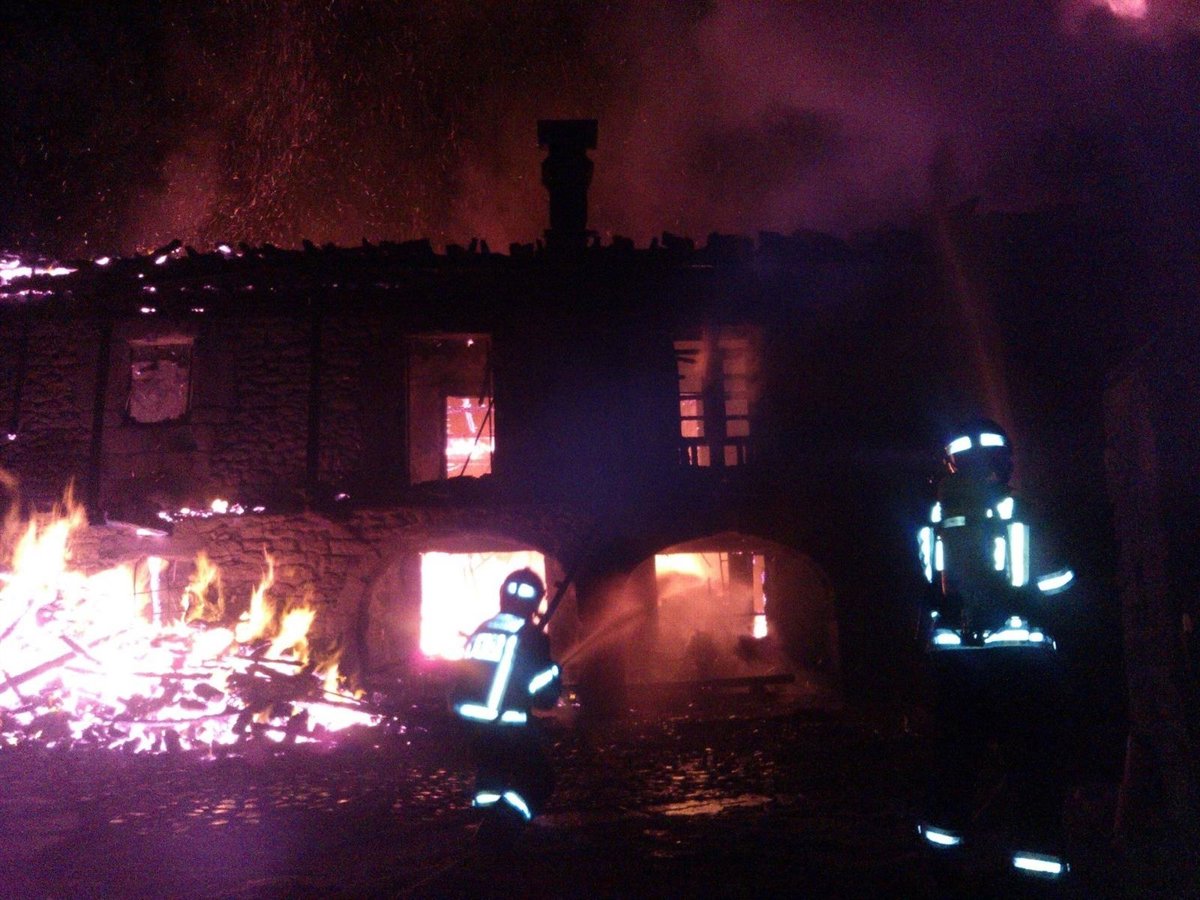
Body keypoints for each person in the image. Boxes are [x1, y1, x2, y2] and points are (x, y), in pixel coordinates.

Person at [915, 418, 1075, 883]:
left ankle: (942, 863)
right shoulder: (1023, 510)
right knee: (1031, 766)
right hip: (1021, 664)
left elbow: (925, 588)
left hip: (954, 663)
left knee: (952, 764)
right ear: (1003, 462)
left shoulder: (933, 519)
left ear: (952, 463)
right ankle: (1037, 870)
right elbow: (1056, 581)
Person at [450, 568, 561, 826]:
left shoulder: (482, 630)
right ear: (536, 600)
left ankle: (482, 826)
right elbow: (543, 698)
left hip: (470, 725)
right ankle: (501, 829)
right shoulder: (532, 637)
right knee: (540, 780)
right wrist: (554, 673)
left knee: (490, 779)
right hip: (507, 726)